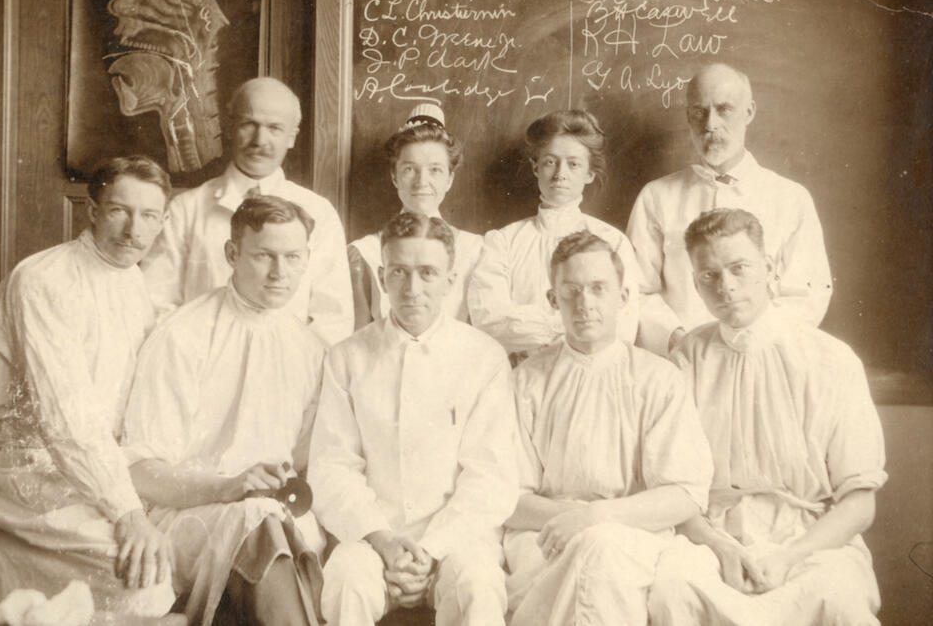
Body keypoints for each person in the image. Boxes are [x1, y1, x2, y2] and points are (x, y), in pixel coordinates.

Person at [648, 208, 886, 626]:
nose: (727, 287)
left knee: (839, 600)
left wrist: (789, 556)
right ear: (697, 284)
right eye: (709, 276)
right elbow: (672, 490)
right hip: (711, 537)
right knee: (673, 590)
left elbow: (859, 502)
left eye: (739, 268)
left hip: (810, 538)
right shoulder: (685, 360)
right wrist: (721, 547)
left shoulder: (830, 360)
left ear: (770, 267)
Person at [0, 155, 175, 615]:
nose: (133, 230)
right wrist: (128, 514)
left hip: (111, 476)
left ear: (163, 222)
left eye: (148, 216)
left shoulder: (136, 287)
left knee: (192, 550)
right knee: (144, 584)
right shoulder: (45, 280)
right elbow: (66, 417)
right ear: (93, 210)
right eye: (120, 210)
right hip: (35, 482)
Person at [122, 195, 326, 626]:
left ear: (307, 258)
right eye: (264, 256)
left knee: (269, 520)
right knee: (258, 518)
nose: (280, 273)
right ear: (232, 254)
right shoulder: (183, 335)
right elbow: (141, 470)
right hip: (186, 518)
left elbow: (311, 465)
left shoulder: (311, 349)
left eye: (292, 257)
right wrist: (226, 487)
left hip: (279, 522)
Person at [309, 212, 519, 626]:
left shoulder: (483, 357)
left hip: (458, 539)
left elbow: (490, 476)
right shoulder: (347, 357)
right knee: (345, 578)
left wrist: (433, 549)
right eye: (400, 272)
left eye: (427, 273)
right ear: (383, 275)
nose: (413, 288)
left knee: (480, 585)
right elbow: (332, 466)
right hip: (371, 537)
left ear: (450, 278)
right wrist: (383, 540)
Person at [504, 230, 712, 626]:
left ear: (623, 295)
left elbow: (686, 493)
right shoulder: (526, 382)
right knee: (587, 558)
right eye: (571, 291)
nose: (585, 303)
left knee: (601, 551)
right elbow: (507, 496)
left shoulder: (659, 379)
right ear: (552, 300)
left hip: (634, 536)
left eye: (599, 288)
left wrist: (596, 518)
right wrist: (572, 520)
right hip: (541, 537)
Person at [627, 62, 832, 355]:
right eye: (699, 112)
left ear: (748, 112)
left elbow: (806, 294)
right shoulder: (656, 197)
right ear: (688, 116)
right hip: (680, 360)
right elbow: (636, 290)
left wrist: (753, 342)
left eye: (724, 110)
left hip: (762, 357)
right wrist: (679, 340)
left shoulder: (790, 199)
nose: (710, 125)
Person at [142, 76, 353, 346]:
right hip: (201, 369)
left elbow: (333, 318)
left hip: (286, 372)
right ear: (229, 128)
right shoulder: (186, 209)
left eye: (274, 128)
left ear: (292, 137)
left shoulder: (318, 212)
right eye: (248, 124)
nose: (259, 139)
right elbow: (157, 302)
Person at [467, 109, 641, 364]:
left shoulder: (612, 242)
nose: (560, 174)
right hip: (519, 378)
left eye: (573, 164)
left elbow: (623, 328)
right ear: (535, 167)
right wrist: (573, 324)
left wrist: (529, 323)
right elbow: (489, 321)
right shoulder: (503, 242)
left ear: (590, 173)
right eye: (550, 161)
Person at [348, 104, 482, 327]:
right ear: (394, 176)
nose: (422, 182)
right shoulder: (365, 252)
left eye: (435, 170)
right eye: (410, 169)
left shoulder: (475, 250)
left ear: (449, 179)